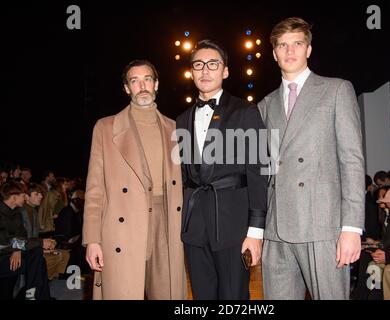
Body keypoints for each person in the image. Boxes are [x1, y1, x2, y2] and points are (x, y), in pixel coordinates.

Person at [258, 17, 365, 300]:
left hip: (322, 225)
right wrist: (256, 229)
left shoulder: (336, 90)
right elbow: (262, 170)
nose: (290, 51)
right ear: (274, 53)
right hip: (276, 228)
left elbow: (352, 161)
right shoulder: (264, 105)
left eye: (297, 44)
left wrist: (352, 228)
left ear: (308, 50)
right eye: (282, 45)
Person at [83, 59, 186, 300]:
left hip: (167, 223)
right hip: (122, 226)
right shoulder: (106, 127)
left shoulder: (176, 128)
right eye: (134, 81)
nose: (142, 86)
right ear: (127, 88)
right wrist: (92, 240)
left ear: (156, 84)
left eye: (147, 79)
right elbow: (95, 189)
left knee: (168, 294)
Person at [176, 39, 267, 299]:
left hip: (233, 225)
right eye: (199, 65)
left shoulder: (246, 111)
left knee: (233, 297)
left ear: (225, 71)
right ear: (191, 71)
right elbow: (183, 175)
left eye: (213, 64)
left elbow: (259, 172)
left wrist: (255, 231)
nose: (205, 70)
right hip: (194, 226)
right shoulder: (182, 119)